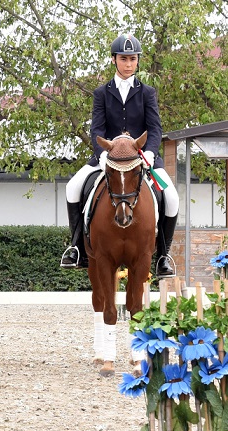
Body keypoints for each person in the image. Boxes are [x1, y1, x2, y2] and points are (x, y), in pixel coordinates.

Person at [61, 34, 178, 278]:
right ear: (114, 60)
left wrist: (149, 152)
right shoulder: (101, 93)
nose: (128, 64)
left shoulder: (147, 93)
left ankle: (163, 256)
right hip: (109, 158)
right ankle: (77, 248)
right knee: (72, 187)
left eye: (133, 59)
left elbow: (155, 128)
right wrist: (103, 154)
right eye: (124, 59)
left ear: (138, 61)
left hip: (141, 157)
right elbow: (97, 130)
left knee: (172, 197)